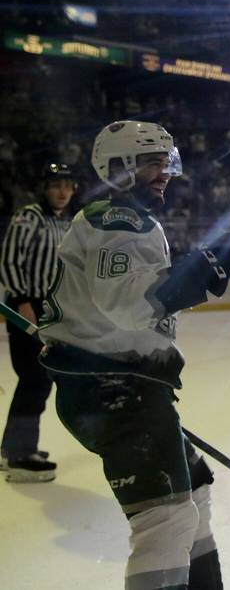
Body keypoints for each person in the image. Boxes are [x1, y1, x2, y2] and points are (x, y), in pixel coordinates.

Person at [37, 121, 230, 590]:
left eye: (167, 161)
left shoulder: (127, 220)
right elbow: (128, 304)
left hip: (128, 387)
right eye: (152, 163)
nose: (164, 173)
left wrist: (214, 260)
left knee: (193, 492)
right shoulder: (114, 221)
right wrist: (211, 264)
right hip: (112, 390)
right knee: (165, 519)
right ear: (117, 169)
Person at [0, 163, 76, 482]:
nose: (61, 191)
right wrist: (22, 303)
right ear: (44, 188)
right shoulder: (29, 216)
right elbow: (9, 260)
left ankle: (15, 447)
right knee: (34, 379)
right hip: (26, 309)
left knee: (39, 380)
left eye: (67, 185)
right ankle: (19, 454)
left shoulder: (67, 223)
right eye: (55, 185)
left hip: (50, 313)